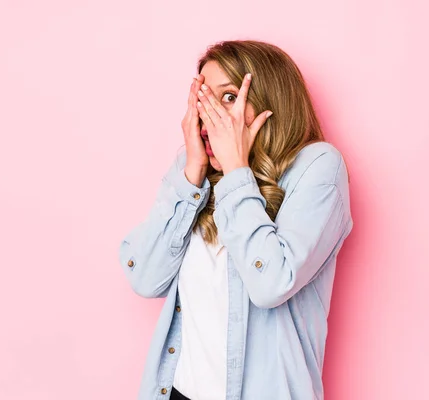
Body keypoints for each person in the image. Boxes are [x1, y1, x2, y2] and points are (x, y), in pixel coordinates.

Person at [118, 40, 353, 400]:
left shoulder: (318, 167)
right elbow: (145, 277)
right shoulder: (192, 170)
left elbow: (271, 282)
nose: (210, 113)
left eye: (228, 97)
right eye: (203, 97)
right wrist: (192, 172)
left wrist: (236, 170)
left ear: (272, 100)